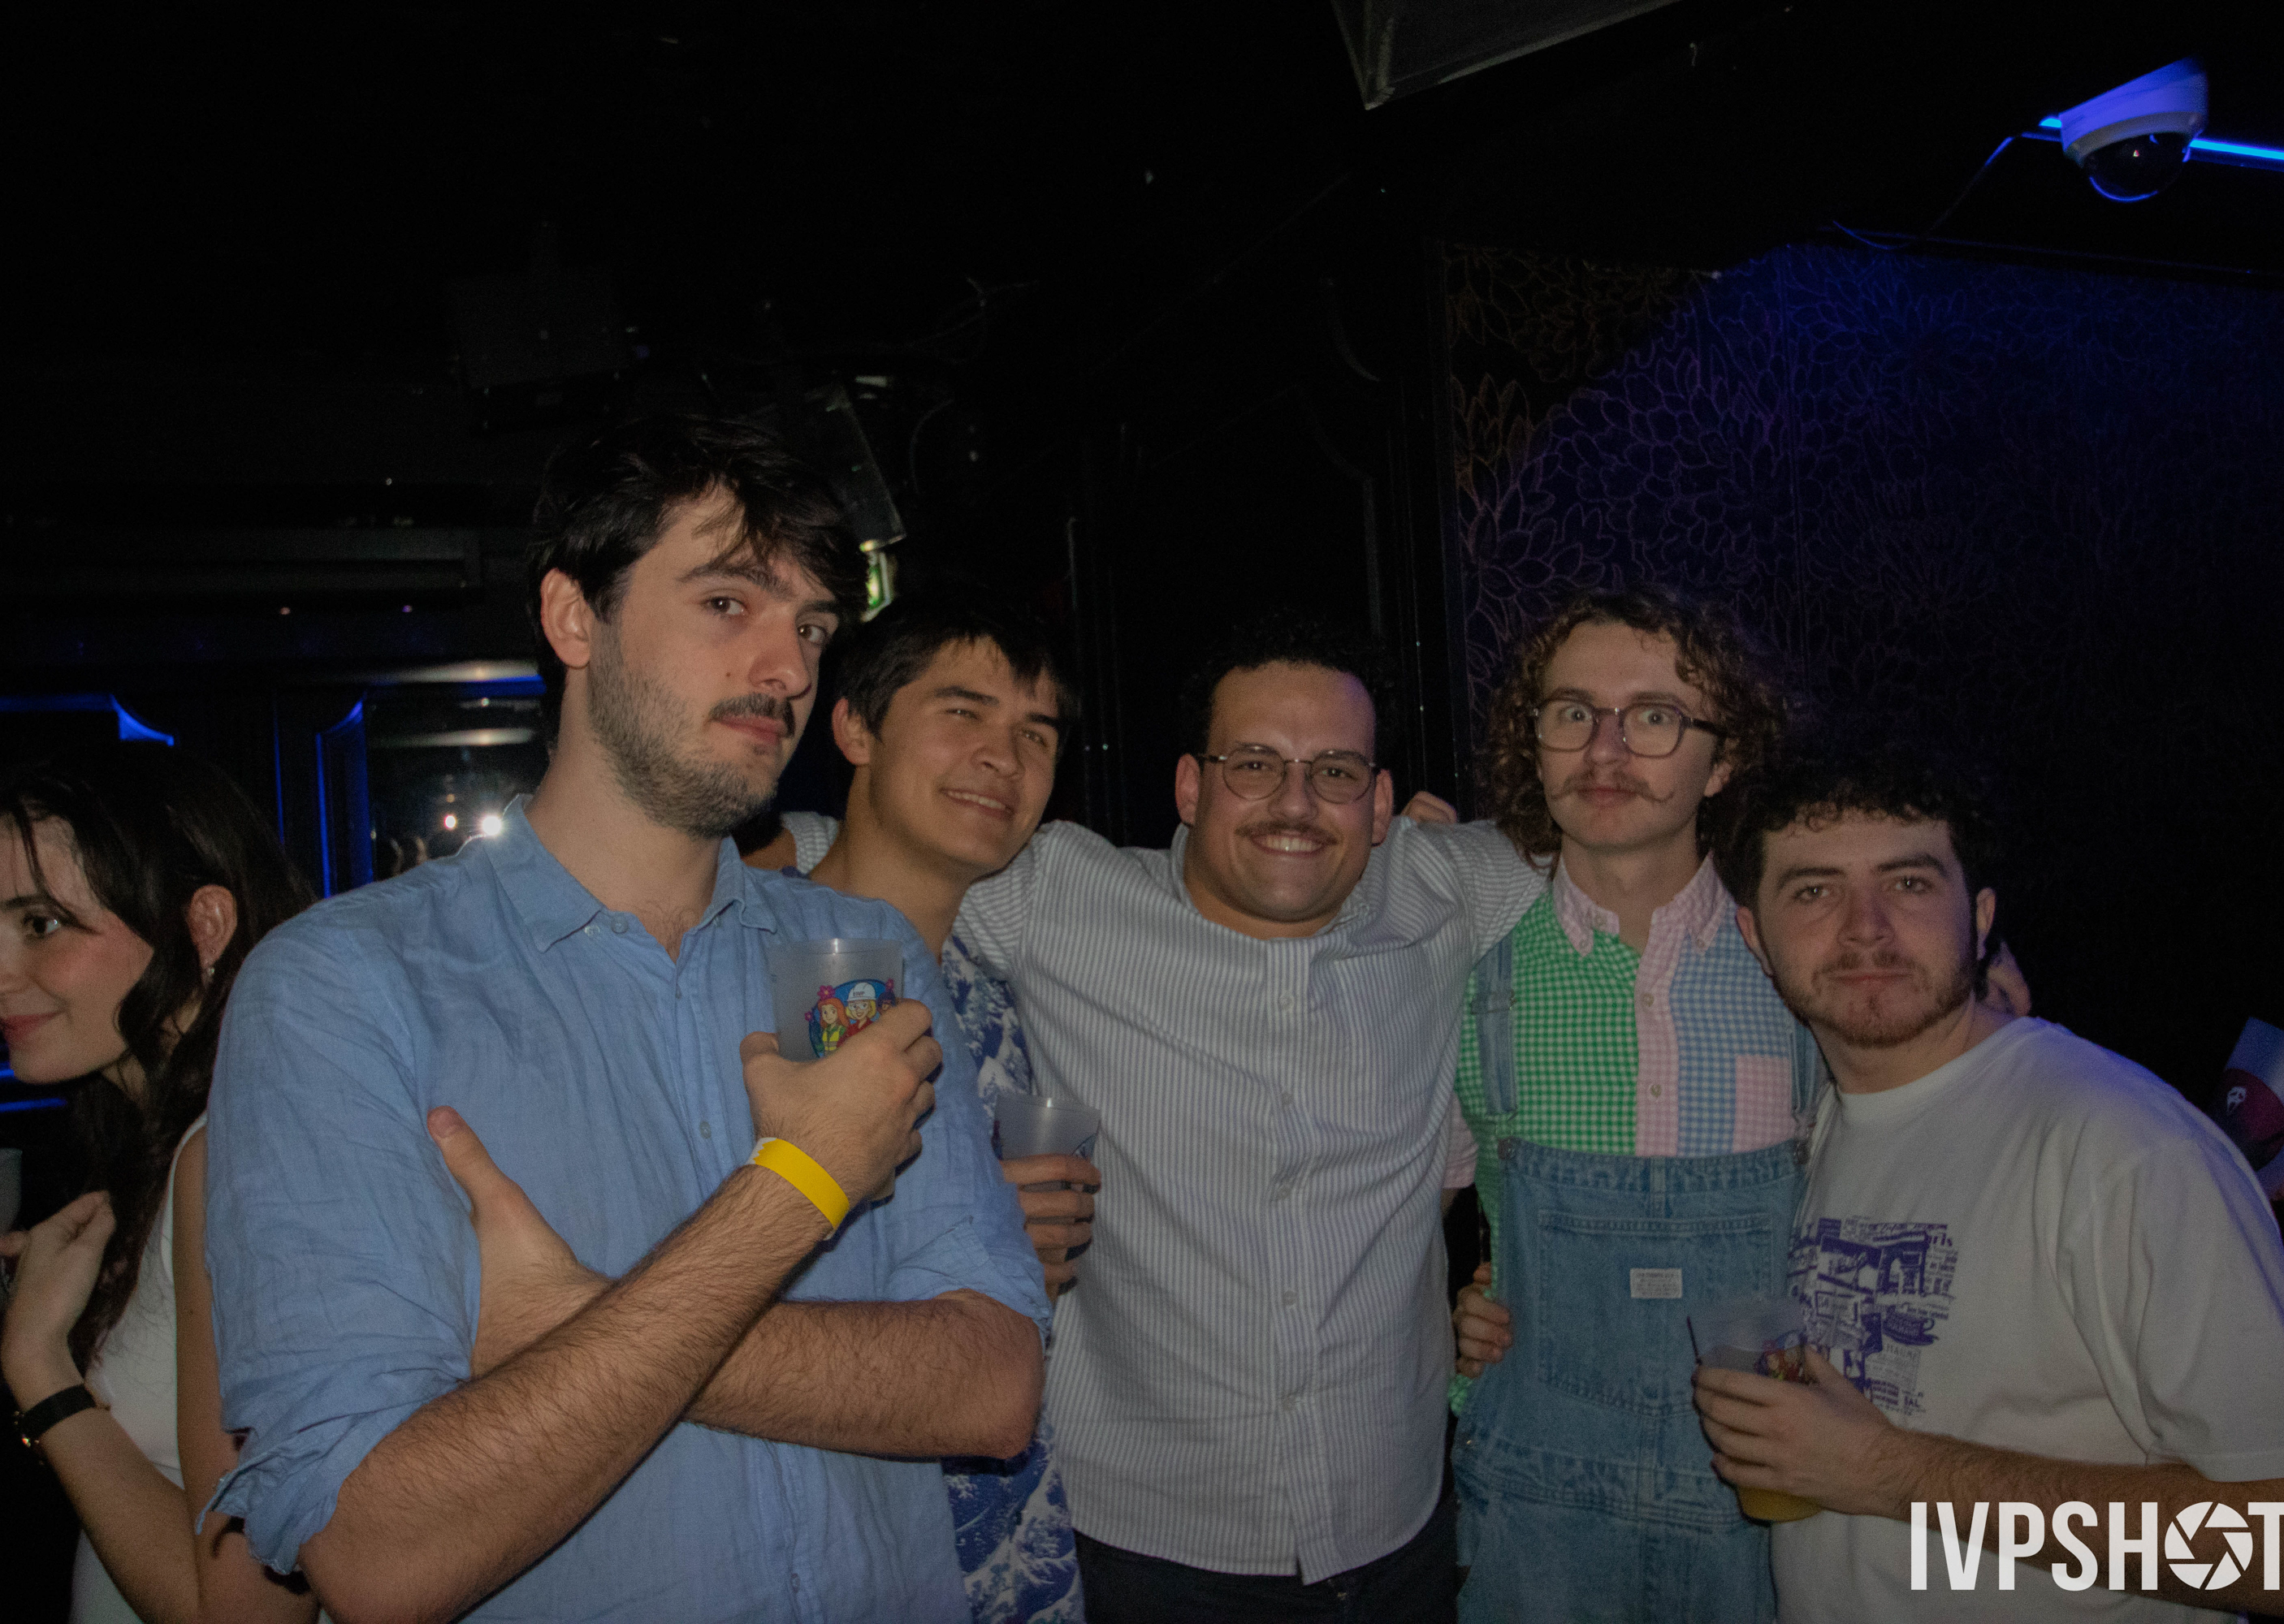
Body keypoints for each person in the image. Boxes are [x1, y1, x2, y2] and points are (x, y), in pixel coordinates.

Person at [199, 411, 1050, 1623]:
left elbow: (992, 1385)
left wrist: (574, 1321)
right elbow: (379, 1553)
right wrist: (801, 1182)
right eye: (728, 603)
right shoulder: (343, 988)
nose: (789, 668)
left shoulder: (853, 961)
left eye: (812, 626)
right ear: (572, 618)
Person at [950, 612, 1539, 1622]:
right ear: (1191, 786)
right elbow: (846, 865)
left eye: (1337, 771)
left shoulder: (1442, 886)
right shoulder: (1055, 894)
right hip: (1148, 1546)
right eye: (1255, 763)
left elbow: (1621, 846)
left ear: (1382, 804)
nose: (1296, 803)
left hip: (1400, 1526)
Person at [1694, 742, 2284, 1620]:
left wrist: (1891, 1470)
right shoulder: (1818, 1124)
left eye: (1909, 883)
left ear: (1980, 918)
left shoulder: (2125, 1147)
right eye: (1814, 890)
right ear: (1756, 936)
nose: (1866, 927)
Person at [1440, 587, 1810, 1623]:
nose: (1605, 749)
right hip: (1532, 1513)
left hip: (1765, 1505)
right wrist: (1444, 1324)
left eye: (1654, 716)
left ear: (1723, 758)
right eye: (1573, 713)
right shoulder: (1463, 968)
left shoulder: (1798, 966)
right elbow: (1379, 1211)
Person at [0, 741, 317, 1624]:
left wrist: (38, 1365)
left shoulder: (230, 1158)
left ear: (203, 926)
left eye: (40, 923)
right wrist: (38, 1293)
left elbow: (245, 1612)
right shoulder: (155, 1144)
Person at [746, 591, 1095, 1622]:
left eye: (1037, 734)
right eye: (962, 711)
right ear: (855, 727)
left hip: (1009, 1542)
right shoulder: (774, 970)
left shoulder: (990, 997)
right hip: (831, 1543)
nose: (1004, 757)